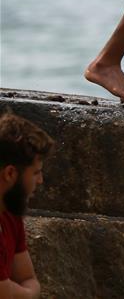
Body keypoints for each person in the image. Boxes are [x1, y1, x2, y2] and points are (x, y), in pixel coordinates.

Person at [0, 112, 54, 299]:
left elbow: (27, 278)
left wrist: (21, 294)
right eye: (35, 173)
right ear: (10, 173)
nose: (40, 180)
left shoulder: (9, 214)